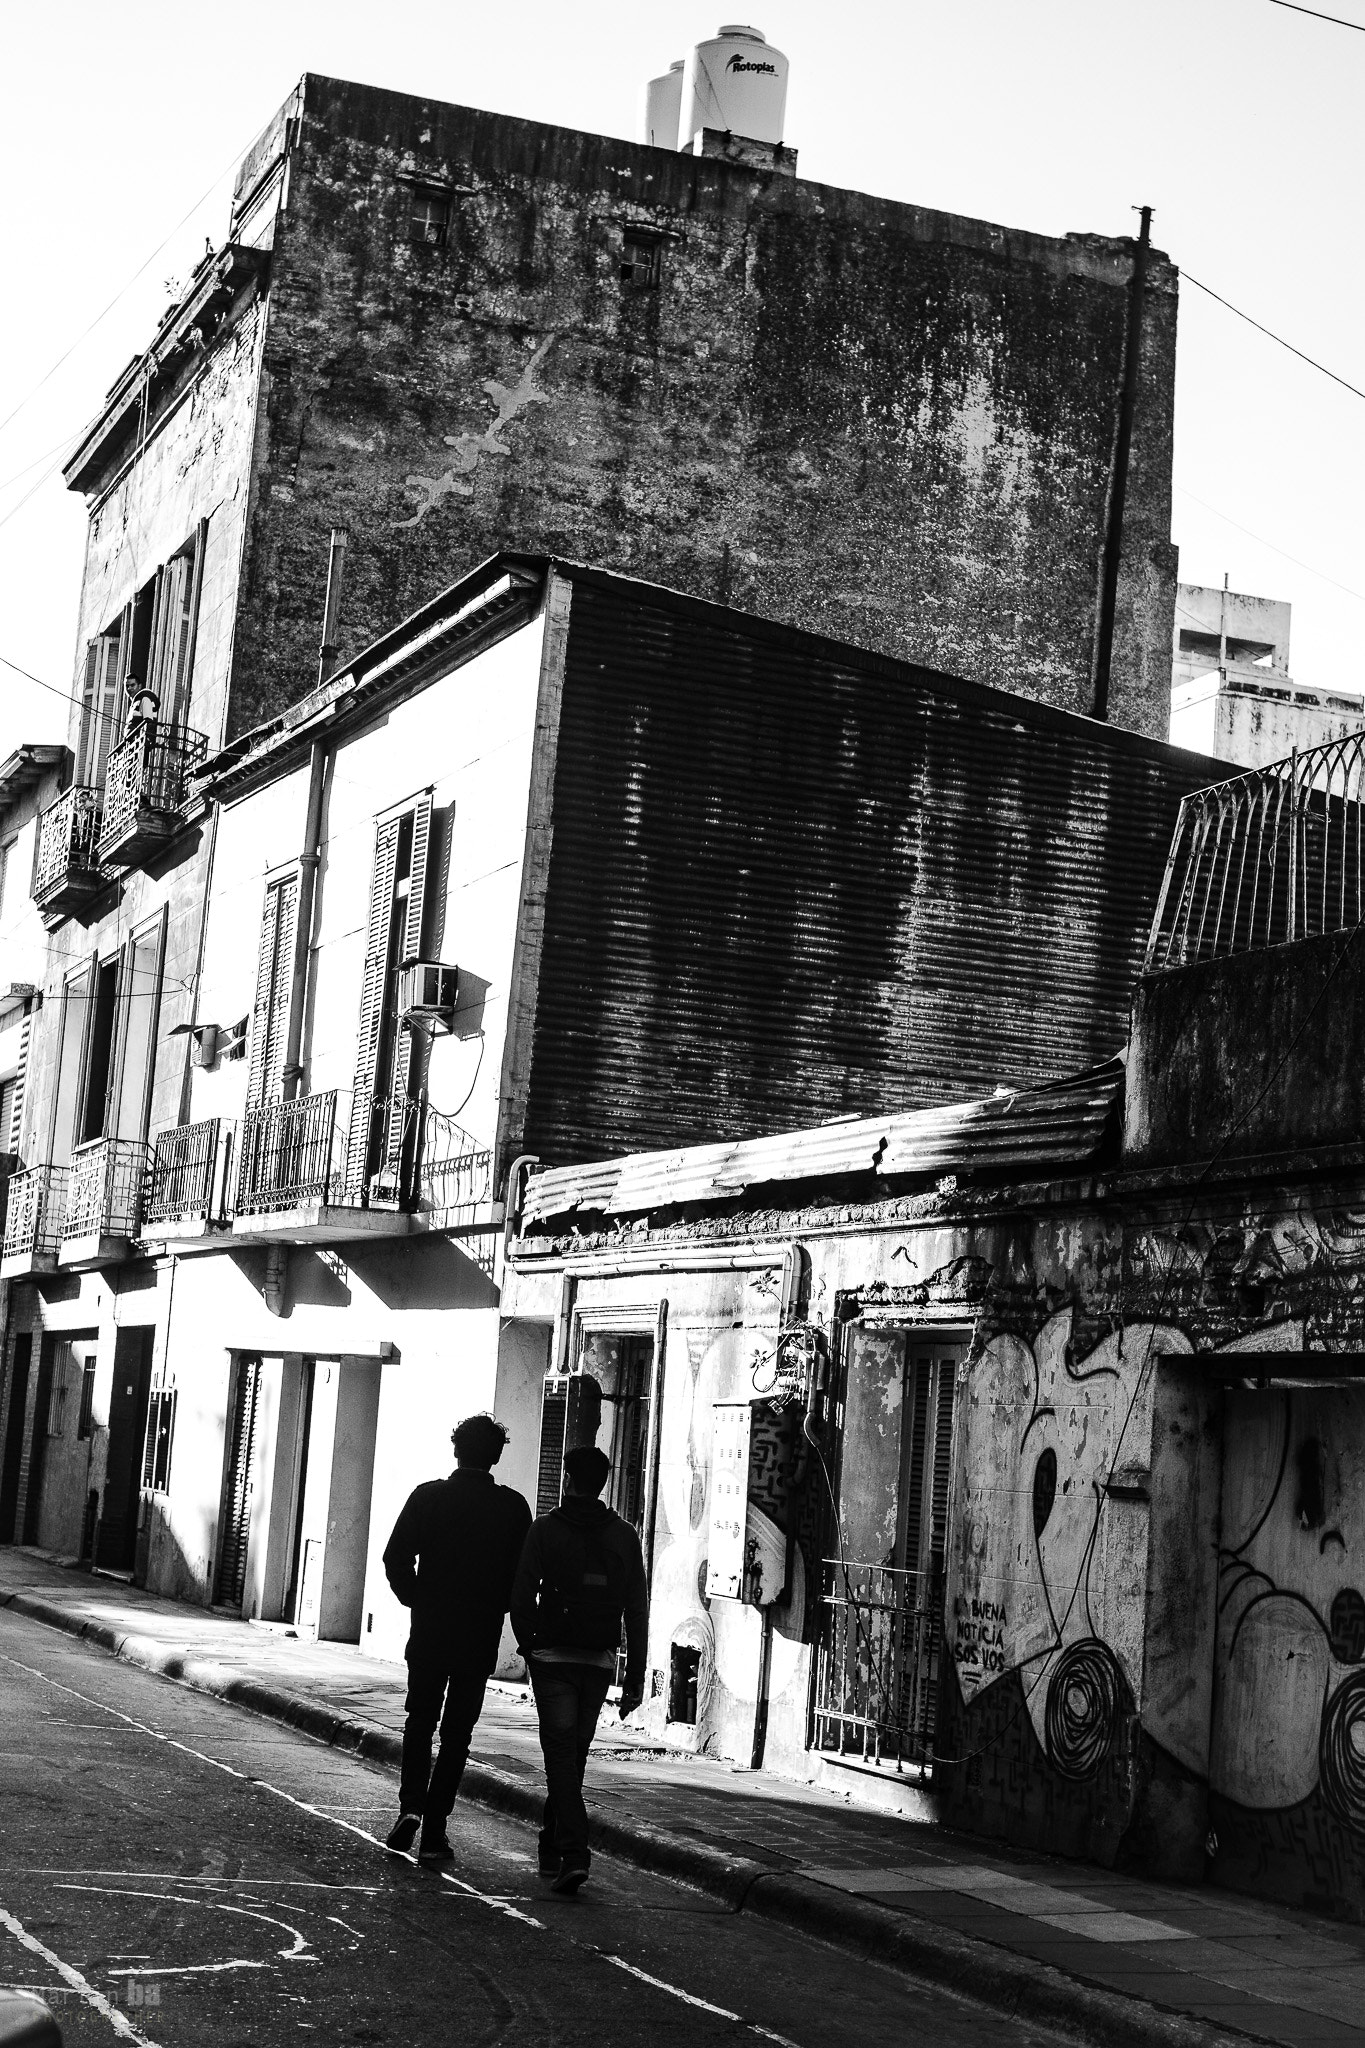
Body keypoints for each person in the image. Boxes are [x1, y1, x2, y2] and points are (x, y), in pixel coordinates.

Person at [382, 1412, 531, 1864]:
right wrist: (497, 1606)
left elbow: (395, 1557)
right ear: (496, 1456)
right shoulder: (512, 1508)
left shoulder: (428, 1497)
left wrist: (418, 1599)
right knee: (457, 1735)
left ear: (455, 1450)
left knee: (419, 1723)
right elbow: (522, 1577)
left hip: (431, 1631)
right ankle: (435, 1830)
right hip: (477, 1635)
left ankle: (410, 1807)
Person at [509, 1442, 649, 1894]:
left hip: (553, 1658)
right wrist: (634, 1677)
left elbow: (521, 1594)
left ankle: (574, 1852)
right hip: (598, 1660)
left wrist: (530, 1646)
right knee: (573, 1758)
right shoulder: (624, 1535)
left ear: (567, 1478)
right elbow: (637, 1609)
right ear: (603, 1483)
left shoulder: (546, 1529)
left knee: (560, 1758)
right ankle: (551, 1847)